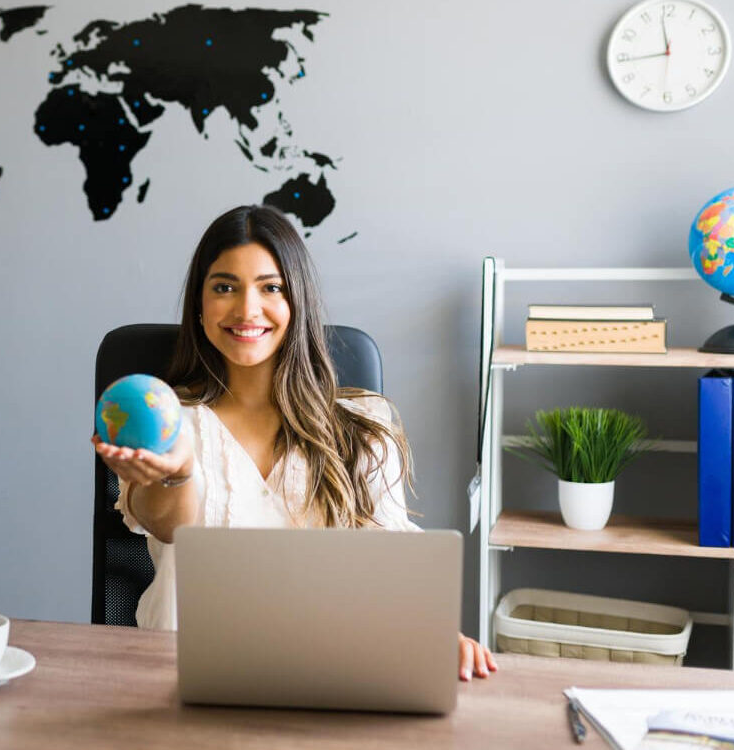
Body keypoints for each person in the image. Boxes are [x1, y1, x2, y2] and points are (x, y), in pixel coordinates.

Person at [91, 204, 497, 681]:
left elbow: (389, 560)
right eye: (225, 287)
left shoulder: (362, 425)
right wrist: (178, 470)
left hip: (327, 674)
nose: (247, 309)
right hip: (180, 678)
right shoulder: (168, 423)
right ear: (199, 307)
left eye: (271, 288)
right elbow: (165, 526)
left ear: (296, 302)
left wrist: (432, 630)